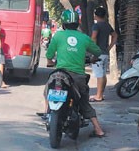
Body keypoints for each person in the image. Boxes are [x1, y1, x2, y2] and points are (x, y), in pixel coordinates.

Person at [44, 9, 106, 138]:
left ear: (63, 23)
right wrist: (92, 58)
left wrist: (50, 61)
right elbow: (98, 52)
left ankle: (47, 113)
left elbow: (49, 55)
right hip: (78, 77)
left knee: (48, 91)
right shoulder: (84, 38)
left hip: (60, 74)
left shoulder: (58, 36)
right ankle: (98, 129)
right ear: (77, 23)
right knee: (83, 101)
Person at [89, 7, 117, 102]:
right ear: (105, 15)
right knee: (103, 74)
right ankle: (101, 94)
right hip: (105, 53)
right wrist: (109, 47)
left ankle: (98, 96)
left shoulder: (96, 26)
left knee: (99, 75)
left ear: (95, 16)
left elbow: (94, 37)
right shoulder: (107, 25)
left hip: (98, 54)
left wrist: (94, 51)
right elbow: (115, 35)